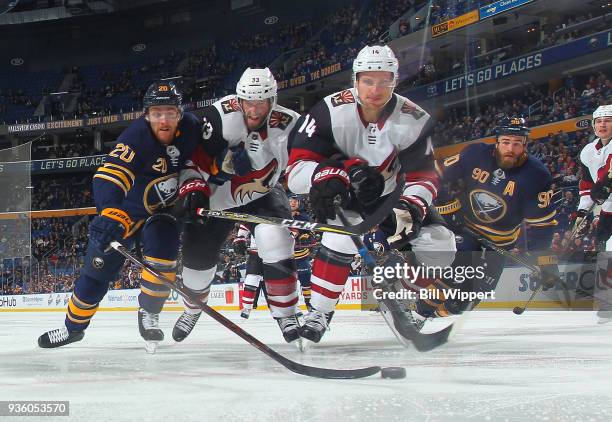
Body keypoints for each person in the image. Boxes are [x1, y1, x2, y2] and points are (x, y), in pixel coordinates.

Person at [287, 45, 456, 343]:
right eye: (368, 80)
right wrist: (325, 176)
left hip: (393, 198)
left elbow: (425, 176)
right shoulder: (327, 111)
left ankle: (408, 289)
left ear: (395, 81)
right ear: (355, 80)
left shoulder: (414, 118)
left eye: (383, 81)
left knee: (441, 243)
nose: (375, 89)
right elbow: (296, 170)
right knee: (340, 236)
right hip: (345, 197)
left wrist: (411, 207)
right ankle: (320, 311)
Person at [38, 81, 201, 349]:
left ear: (179, 114)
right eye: (157, 113)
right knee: (95, 275)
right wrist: (110, 214)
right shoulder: (136, 137)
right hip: (125, 215)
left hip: (163, 211)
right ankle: (73, 329)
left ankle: (149, 313)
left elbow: (214, 148)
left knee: (163, 259)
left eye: (170, 112)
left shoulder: (192, 128)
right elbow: (109, 177)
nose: (164, 120)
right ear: (147, 114)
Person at [172, 67, 302, 344]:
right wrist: (196, 184)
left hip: (262, 193)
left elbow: (310, 157)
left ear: (273, 100)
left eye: (261, 103)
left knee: (275, 237)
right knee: (195, 266)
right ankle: (192, 308)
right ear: (239, 99)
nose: (254, 111)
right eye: (248, 103)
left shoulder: (291, 124)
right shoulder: (218, 118)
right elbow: (188, 159)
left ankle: (287, 313)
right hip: (217, 198)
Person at [431, 116, 559, 319]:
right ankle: (418, 315)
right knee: (457, 270)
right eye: (506, 142)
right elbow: (439, 175)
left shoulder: (537, 176)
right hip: (466, 228)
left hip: (500, 241)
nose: (510, 148)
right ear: (497, 141)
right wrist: (448, 209)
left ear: (525, 144)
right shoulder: (475, 153)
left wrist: (545, 261)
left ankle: (436, 314)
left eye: (517, 144)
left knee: (470, 299)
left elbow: (542, 224)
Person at [574, 104, 612, 322]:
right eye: (598, 121)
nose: (602, 124)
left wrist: (606, 185)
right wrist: (581, 212)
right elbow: (588, 185)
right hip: (607, 211)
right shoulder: (588, 151)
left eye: (607, 120)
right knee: (602, 252)